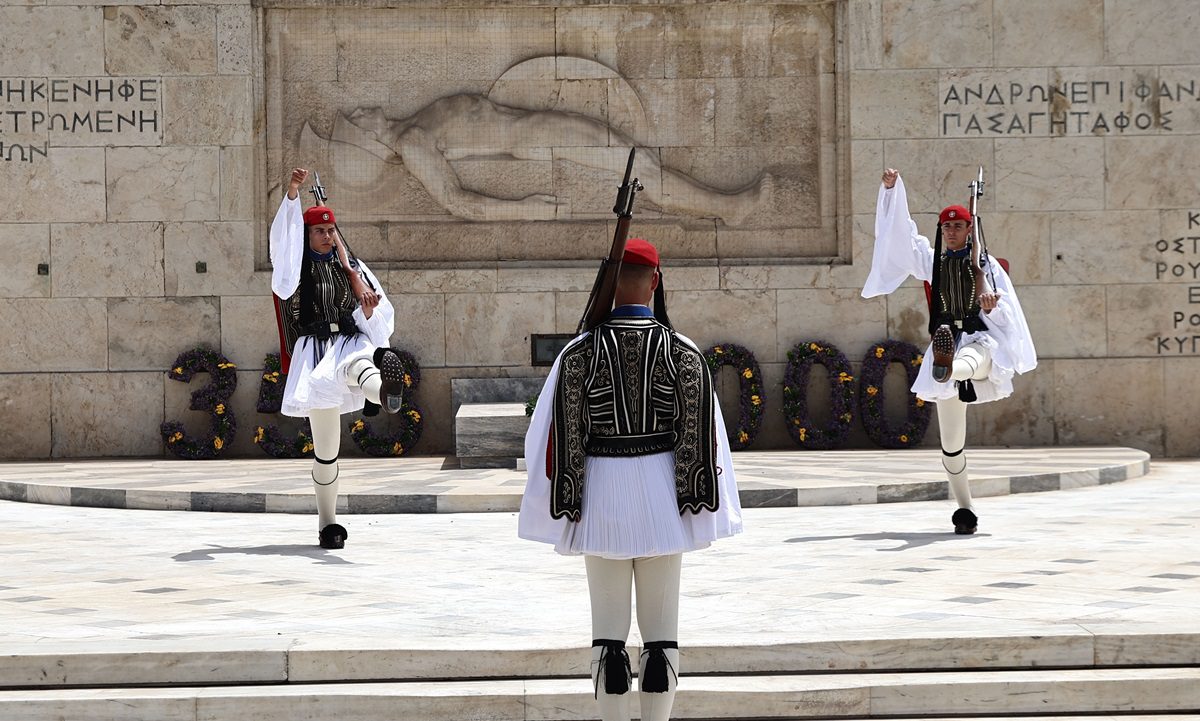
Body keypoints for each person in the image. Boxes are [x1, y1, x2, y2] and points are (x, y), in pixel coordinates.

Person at [519, 238, 743, 721]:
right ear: (656, 282)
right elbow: (705, 435)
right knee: (661, 639)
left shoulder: (577, 353)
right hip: (663, 496)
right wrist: (697, 502)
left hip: (601, 497)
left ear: (608, 285)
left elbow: (548, 438)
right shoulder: (682, 351)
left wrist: (562, 503)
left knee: (608, 640)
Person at [862, 168, 1037, 535]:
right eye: (946, 227)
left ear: (969, 230)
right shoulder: (933, 262)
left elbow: (1008, 311)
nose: (951, 232)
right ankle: (965, 509)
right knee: (951, 445)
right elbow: (901, 238)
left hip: (980, 345)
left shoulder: (985, 266)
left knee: (969, 360)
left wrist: (990, 305)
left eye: (958, 227)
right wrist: (893, 192)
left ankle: (948, 368)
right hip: (948, 338)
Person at [270, 167, 407, 549]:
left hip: (348, 342)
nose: (328, 237)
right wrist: (294, 194)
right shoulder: (292, 271)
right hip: (314, 354)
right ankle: (327, 523)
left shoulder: (356, 269)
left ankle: (387, 393)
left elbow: (382, 329)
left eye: (332, 231)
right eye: (320, 231)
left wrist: (366, 309)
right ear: (307, 234)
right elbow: (282, 243)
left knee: (362, 363)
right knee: (327, 450)